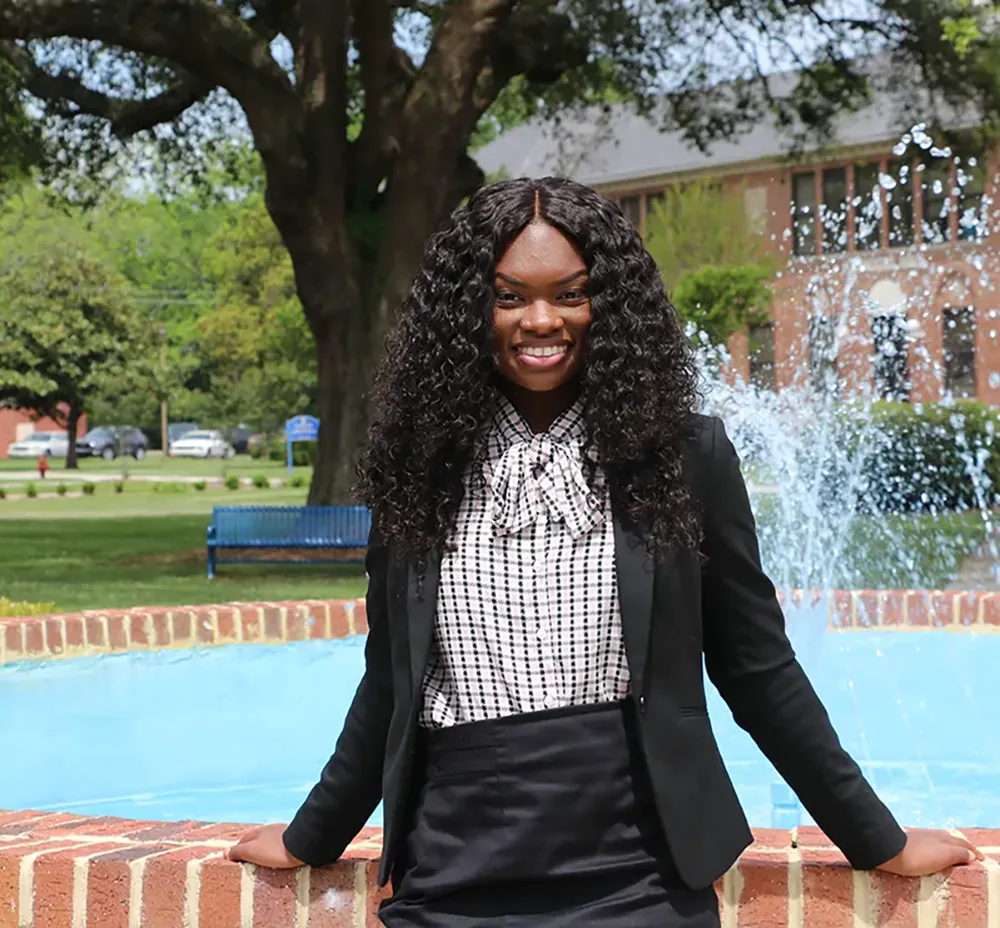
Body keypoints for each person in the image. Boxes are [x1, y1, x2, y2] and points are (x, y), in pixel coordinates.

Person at [227, 177, 982, 926]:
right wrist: (310, 836)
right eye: (509, 296)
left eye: (571, 293)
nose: (541, 319)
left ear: (610, 305)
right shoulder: (423, 463)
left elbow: (756, 668)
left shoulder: (686, 457)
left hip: (639, 867)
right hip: (454, 865)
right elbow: (391, 679)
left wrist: (875, 839)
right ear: (466, 310)